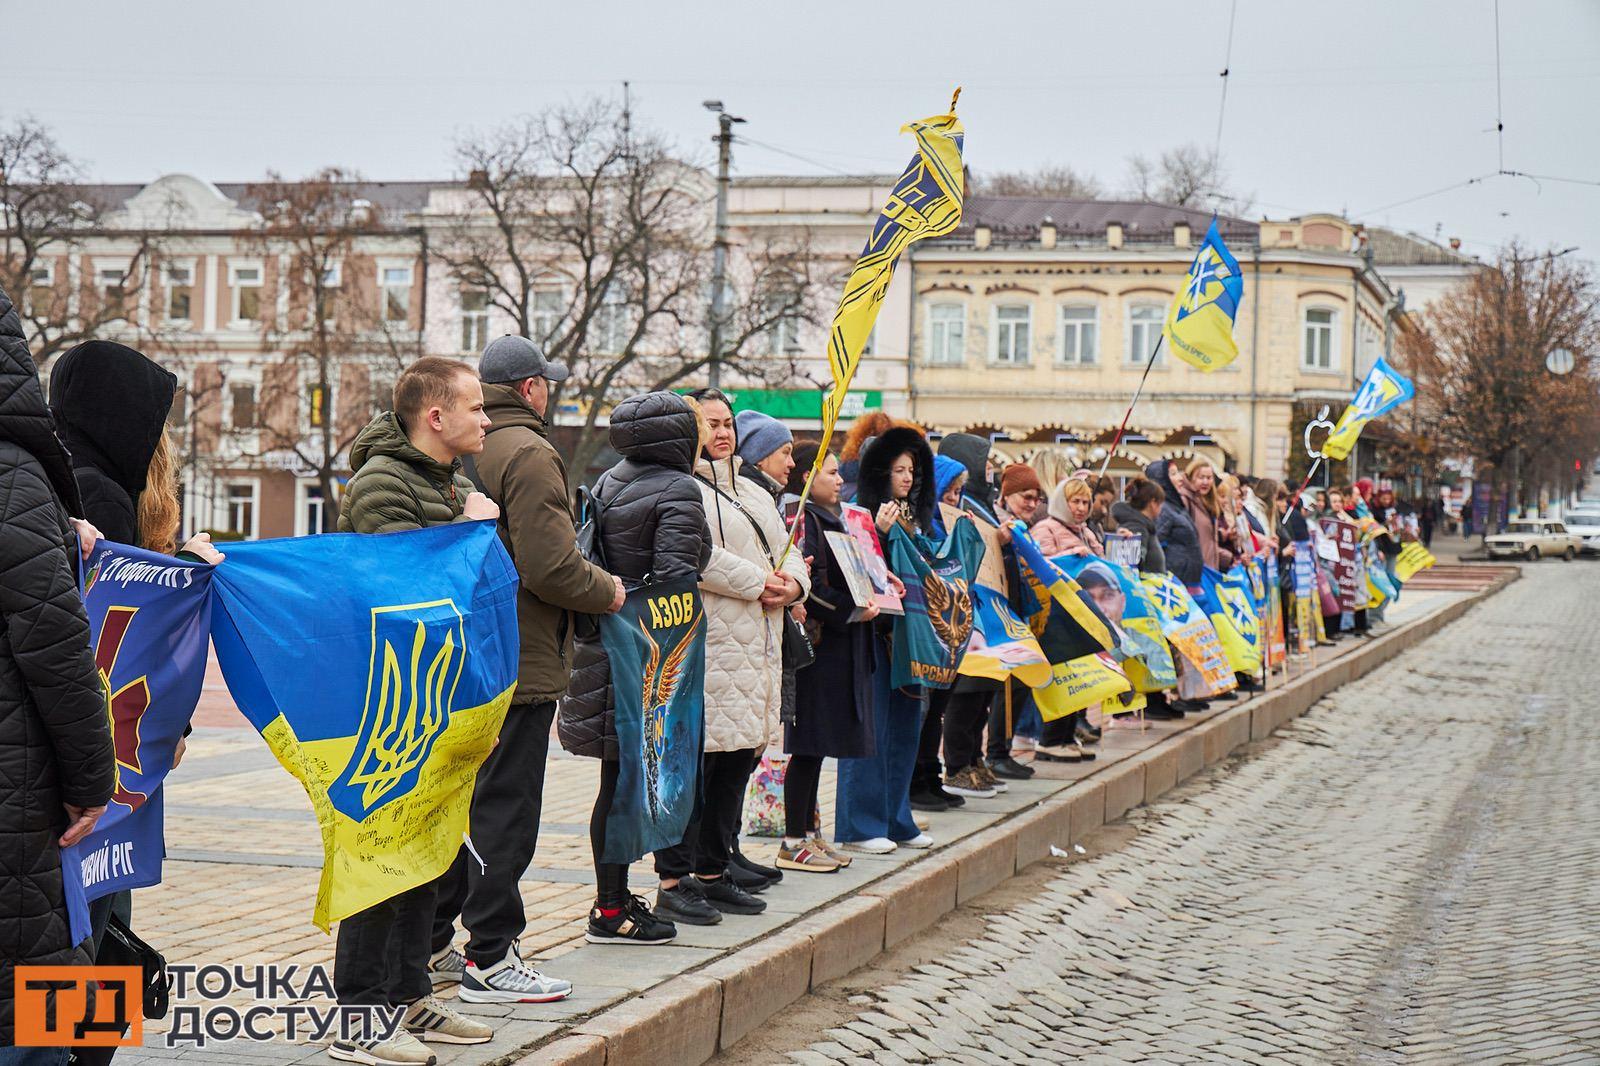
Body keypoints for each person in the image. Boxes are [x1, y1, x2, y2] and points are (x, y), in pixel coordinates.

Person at [427, 337, 623, 1003]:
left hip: (464, 655)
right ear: (534, 388)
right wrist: (608, 591)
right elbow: (551, 568)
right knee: (506, 810)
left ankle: (433, 946)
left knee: (462, 806)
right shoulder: (532, 452)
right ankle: (492, 956)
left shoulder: (465, 444)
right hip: (522, 654)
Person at [332, 356, 502, 1062]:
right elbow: (396, 593)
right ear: (436, 417)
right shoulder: (382, 483)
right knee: (379, 859)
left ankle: (408, 1000)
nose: (487, 419)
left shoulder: (444, 479)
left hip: (431, 703)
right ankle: (359, 1018)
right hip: (385, 707)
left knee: (423, 858)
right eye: (474, 406)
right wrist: (466, 530)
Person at [0, 284, 116, 1061]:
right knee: (47, 1008)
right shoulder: (13, 474)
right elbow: (55, 646)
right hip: (17, 798)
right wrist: (93, 780)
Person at [561, 391, 712, 943]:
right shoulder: (678, 487)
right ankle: (610, 909)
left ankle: (613, 899)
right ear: (676, 437)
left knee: (615, 781)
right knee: (630, 782)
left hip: (604, 650)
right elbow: (676, 577)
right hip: (648, 658)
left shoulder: (607, 480)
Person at [653, 389, 809, 918]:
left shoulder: (753, 490)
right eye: (710, 423)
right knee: (699, 767)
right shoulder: (681, 487)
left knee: (738, 763)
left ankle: (716, 869)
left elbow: (786, 550)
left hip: (758, 647)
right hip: (711, 645)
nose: (721, 433)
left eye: (726, 424)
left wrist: (795, 587)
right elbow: (698, 555)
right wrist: (758, 582)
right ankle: (680, 877)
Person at [779, 444, 884, 872]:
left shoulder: (837, 519)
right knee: (807, 745)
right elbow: (812, 586)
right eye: (832, 473)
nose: (840, 480)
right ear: (807, 477)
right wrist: (852, 609)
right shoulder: (803, 520)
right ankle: (792, 840)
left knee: (821, 747)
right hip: (819, 650)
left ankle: (810, 832)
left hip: (845, 647)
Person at [836, 425, 940, 853]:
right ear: (881, 473)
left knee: (905, 728)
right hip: (876, 633)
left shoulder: (917, 517)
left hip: (911, 634)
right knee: (871, 728)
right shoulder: (858, 512)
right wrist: (878, 533)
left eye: (912, 470)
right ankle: (860, 826)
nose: (907, 478)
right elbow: (859, 571)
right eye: (899, 469)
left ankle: (897, 819)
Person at [1111, 477, 1167, 576]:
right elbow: (1134, 563)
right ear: (1153, 503)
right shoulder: (1137, 525)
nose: (1162, 508)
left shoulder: (1142, 524)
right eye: (1160, 503)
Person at [1184, 457, 1232, 572]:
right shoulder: (1186, 501)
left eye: (1209, 478)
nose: (1205, 482)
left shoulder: (1209, 504)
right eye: (1201, 477)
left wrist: (1228, 558)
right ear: (1191, 478)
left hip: (1209, 570)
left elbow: (1209, 542)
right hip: (1195, 571)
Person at [1033, 478, 1104, 556]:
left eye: (1085, 502)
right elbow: (1041, 563)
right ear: (1062, 502)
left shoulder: (1086, 532)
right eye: (1076, 501)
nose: (1081, 508)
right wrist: (1073, 554)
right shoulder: (1045, 529)